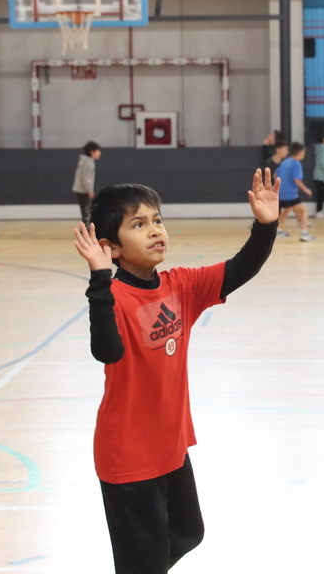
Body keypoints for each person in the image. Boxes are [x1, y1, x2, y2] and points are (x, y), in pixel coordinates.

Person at [72, 171, 279, 573]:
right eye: (138, 225)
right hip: (128, 454)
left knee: (188, 532)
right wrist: (99, 279)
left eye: (157, 220)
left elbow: (240, 269)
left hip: (170, 445)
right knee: (145, 559)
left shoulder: (180, 285)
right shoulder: (113, 296)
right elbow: (107, 351)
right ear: (111, 247)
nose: (155, 230)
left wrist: (265, 226)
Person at [276, 142, 315, 241]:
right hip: (290, 194)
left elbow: (275, 174)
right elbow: (297, 179)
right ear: (301, 152)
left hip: (280, 193)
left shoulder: (285, 161)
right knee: (304, 211)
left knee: (287, 209)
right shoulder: (297, 164)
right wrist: (306, 189)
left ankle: (278, 231)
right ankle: (304, 234)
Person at [72, 141, 102, 226]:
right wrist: (90, 190)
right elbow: (86, 179)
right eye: (98, 151)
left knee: (85, 211)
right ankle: (86, 229)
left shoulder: (84, 161)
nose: (99, 153)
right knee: (87, 212)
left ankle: (84, 229)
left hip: (80, 189)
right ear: (92, 152)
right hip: (84, 190)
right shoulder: (89, 163)